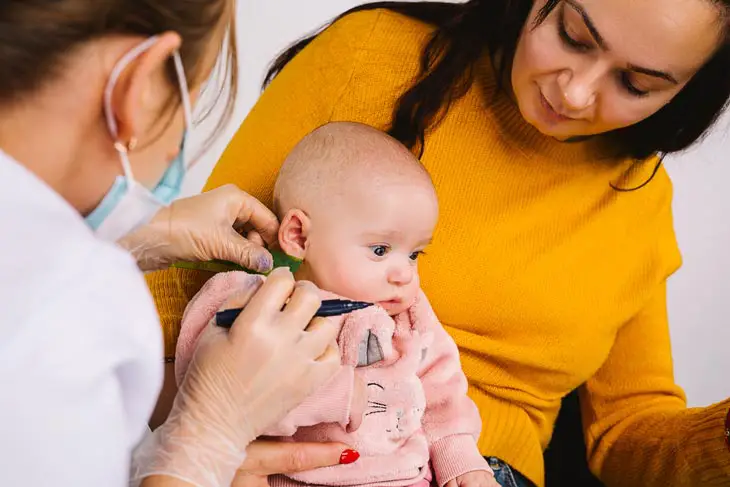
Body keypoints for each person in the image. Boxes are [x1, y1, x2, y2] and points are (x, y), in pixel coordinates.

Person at [145, 0, 730, 486]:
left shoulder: (640, 201)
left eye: (635, 83)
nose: (576, 93)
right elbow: (193, 265)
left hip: (478, 470)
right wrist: (199, 440)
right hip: (280, 451)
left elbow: (627, 430)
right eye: (572, 36)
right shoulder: (371, 57)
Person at [0, 1, 362, 486]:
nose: (177, 147)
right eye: (190, 107)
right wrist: (208, 437)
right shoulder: (69, 305)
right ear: (141, 85)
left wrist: (131, 238)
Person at [174, 122, 499, 487]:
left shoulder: (408, 314)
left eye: (414, 254)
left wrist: (461, 459)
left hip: (408, 477)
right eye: (380, 250)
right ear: (299, 236)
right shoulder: (258, 306)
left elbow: (442, 387)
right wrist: (331, 396)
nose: (405, 274)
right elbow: (204, 395)